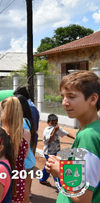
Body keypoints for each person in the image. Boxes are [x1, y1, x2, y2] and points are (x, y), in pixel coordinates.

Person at [46, 70, 100, 203]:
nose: (64, 102)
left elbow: (82, 197)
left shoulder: (88, 136)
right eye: (63, 96)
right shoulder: (92, 130)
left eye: (71, 96)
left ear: (93, 99)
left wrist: (61, 171)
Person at [0, 96, 30, 203]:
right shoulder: (26, 133)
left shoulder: (0, 133)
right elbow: (24, 156)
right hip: (19, 177)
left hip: (1, 176)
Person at [39, 114, 75, 187]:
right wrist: (54, 131)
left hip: (54, 151)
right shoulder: (47, 130)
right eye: (52, 123)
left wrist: (76, 137)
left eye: (55, 123)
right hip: (48, 152)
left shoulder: (56, 128)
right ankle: (60, 186)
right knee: (54, 167)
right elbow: (49, 141)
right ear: (48, 122)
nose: (54, 125)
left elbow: (66, 133)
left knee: (48, 166)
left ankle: (42, 179)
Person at [14, 94, 36, 203]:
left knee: (23, 195)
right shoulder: (27, 120)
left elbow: (23, 147)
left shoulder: (21, 122)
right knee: (25, 193)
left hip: (24, 163)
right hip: (28, 162)